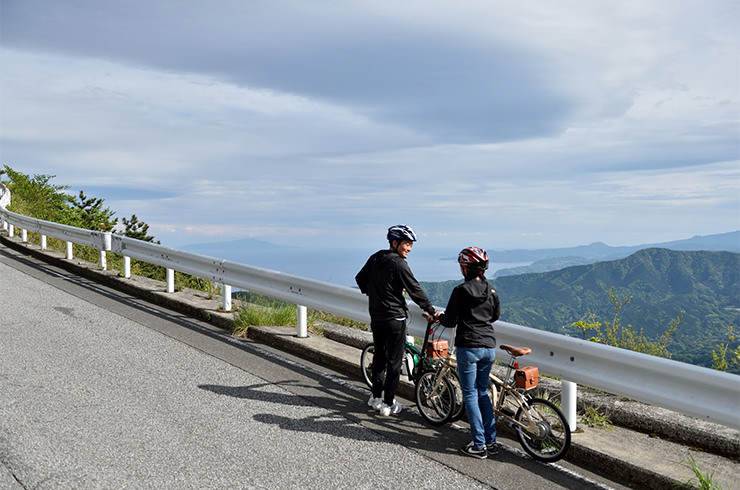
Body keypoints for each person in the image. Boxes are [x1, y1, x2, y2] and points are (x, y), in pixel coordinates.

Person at [355, 225, 437, 417]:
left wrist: (373, 293)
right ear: (394, 243)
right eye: (406, 244)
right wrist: (431, 310)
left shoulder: (376, 257)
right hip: (395, 319)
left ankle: (375, 397)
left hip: (376, 317)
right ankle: (388, 403)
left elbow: (360, 278)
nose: (409, 248)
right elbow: (415, 290)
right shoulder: (399, 264)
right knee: (394, 361)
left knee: (379, 357)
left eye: (411, 245)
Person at [434, 246, 500, 459]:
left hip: (469, 346)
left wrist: (439, 318)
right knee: (482, 392)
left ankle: (479, 444)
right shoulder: (492, 290)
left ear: (465, 268)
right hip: (489, 347)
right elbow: (494, 316)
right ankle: (491, 441)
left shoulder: (461, 291)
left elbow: (450, 320)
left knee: (470, 394)